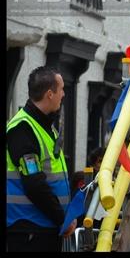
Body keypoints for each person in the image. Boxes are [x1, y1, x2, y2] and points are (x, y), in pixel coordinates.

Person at [7, 66, 76, 251]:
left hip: (41, 228)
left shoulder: (44, 127)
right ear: (49, 94)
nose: (63, 94)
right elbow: (34, 183)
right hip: (29, 231)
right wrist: (62, 219)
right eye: (61, 89)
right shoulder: (22, 129)